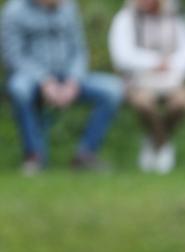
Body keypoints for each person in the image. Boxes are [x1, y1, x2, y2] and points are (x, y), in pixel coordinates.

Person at [1, 0, 124, 174]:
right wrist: (44, 80)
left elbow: (79, 50)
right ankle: (34, 155)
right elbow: (13, 56)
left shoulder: (68, 7)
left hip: (68, 76)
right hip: (30, 77)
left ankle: (85, 154)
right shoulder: (14, 11)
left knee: (113, 89)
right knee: (19, 89)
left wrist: (73, 81)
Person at [109, 0, 185, 173]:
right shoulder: (125, 18)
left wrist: (170, 65)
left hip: (172, 79)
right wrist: (153, 62)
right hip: (138, 80)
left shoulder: (176, 16)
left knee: (184, 102)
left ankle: (154, 140)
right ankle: (163, 144)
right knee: (144, 104)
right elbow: (122, 56)